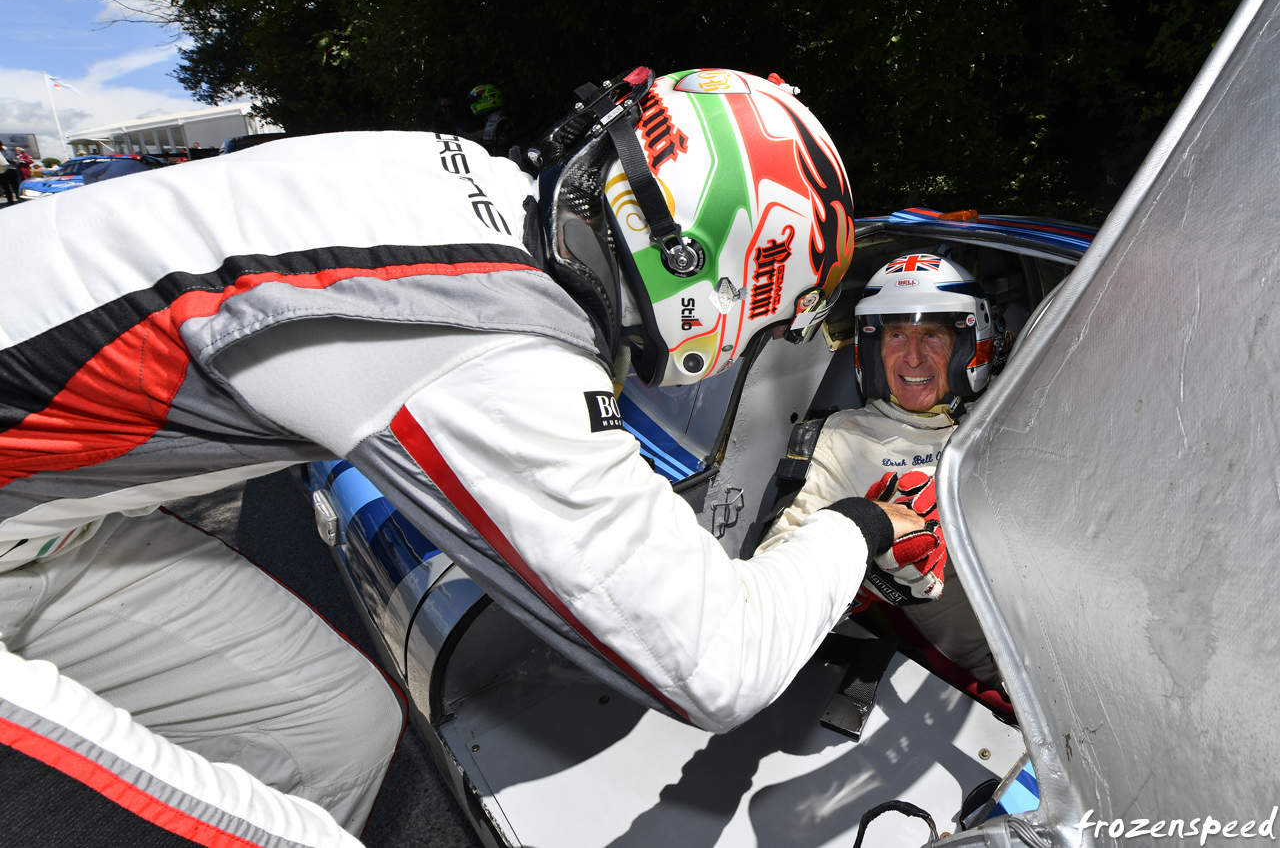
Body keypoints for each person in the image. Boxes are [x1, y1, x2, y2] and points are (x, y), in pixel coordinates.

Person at [0, 67, 921, 843]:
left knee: (337, 731)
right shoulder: (489, 345)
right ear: (725, 279)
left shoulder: (463, 179)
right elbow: (719, 664)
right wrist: (859, 522)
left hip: (41, 515)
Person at [758, 253, 1002, 685]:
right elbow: (777, 579)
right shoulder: (841, 438)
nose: (912, 358)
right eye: (895, 336)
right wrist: (861, 568)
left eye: (932, 336)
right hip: (988, 672)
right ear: (872, 350)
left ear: (968, 346)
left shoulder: (1010, 414)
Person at [465, 82, 514, 157]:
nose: (475, 103)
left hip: (500, 164)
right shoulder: (490, 120)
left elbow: (502, 150)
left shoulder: (501, 120)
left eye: (477, 99)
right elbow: (472, 138)